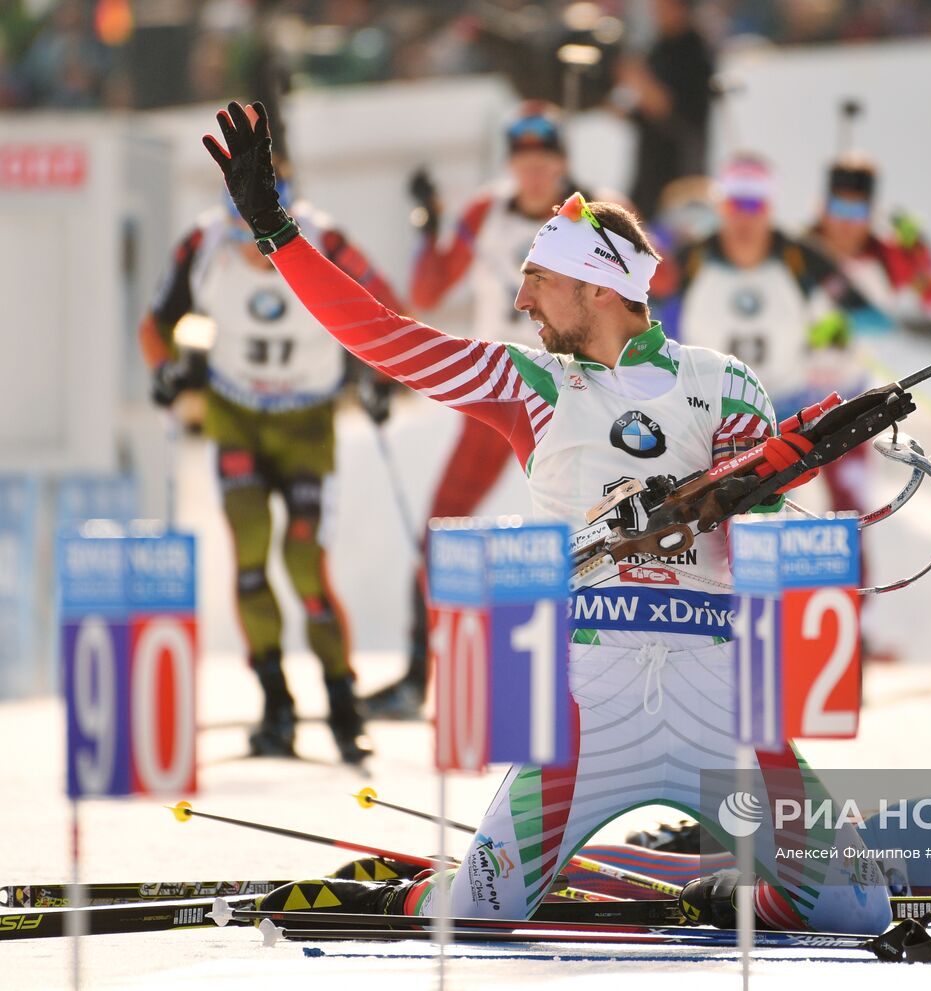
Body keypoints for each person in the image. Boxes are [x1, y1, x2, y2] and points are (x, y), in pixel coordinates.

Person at [205, 100, 892, 934]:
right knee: (480, 913)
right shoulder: (529, 382)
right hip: (585, 711)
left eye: (540, 277)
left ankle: (713, 886)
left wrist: (778, 466)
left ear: (599, 287)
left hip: (720, 703)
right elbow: (381, 336)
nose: (522, 295)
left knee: (856, 907)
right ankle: (406, 888)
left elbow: (758, 522)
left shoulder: (724, 381)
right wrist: (277, 230)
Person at [139, 165, 402, 764]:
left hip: (307, 421)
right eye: (245, 243)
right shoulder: (203, 243)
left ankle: (342, 703)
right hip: (238, 415)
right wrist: (166, 370)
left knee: (305, 564)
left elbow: (389, 308)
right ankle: (275, 703)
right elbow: (154, 324)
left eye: (265, 246)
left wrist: (378, 373)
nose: (259, 261)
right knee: (251, 550)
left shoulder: (322, 238)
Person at [364, 102, 592, 719]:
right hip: (506, 388)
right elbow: (429, 291)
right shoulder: (484, 213)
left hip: (579, 390)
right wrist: (427, 226)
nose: (535, 172)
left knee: (596, 528)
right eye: (523, 158)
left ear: (562, 162)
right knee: (443, 528)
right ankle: (419, 673)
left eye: (546, 159)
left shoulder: (590, 209)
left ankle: (597, 667)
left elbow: (655, 281)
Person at [657, 155, 886, 594]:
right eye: (736, 205)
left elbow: (873, 319)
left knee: (820, 511)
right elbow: (638, 305)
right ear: (722, 206)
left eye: (755, 207)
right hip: (710, 410)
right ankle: (713, 610)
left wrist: (838, 329)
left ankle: (855, 620)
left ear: (770, 209)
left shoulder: (798, 256)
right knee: (706, 517)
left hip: (784, 408)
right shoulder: (694, 257)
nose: (745, 219)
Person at [805, 154, 931, 341]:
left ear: (872, 214)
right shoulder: (798, 252)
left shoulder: (887, 257)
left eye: (857, 211)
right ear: (823, 208)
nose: (847, 222)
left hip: (865, 365)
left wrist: (923, 260)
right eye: (839, 207)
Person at [612, 0, 713, 218]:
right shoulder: (657, 49)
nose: (659, 14)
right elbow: (645, 113)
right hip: (649, 172)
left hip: (681, 173)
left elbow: (674, 111)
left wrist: (638, 78)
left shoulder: (696, 53)